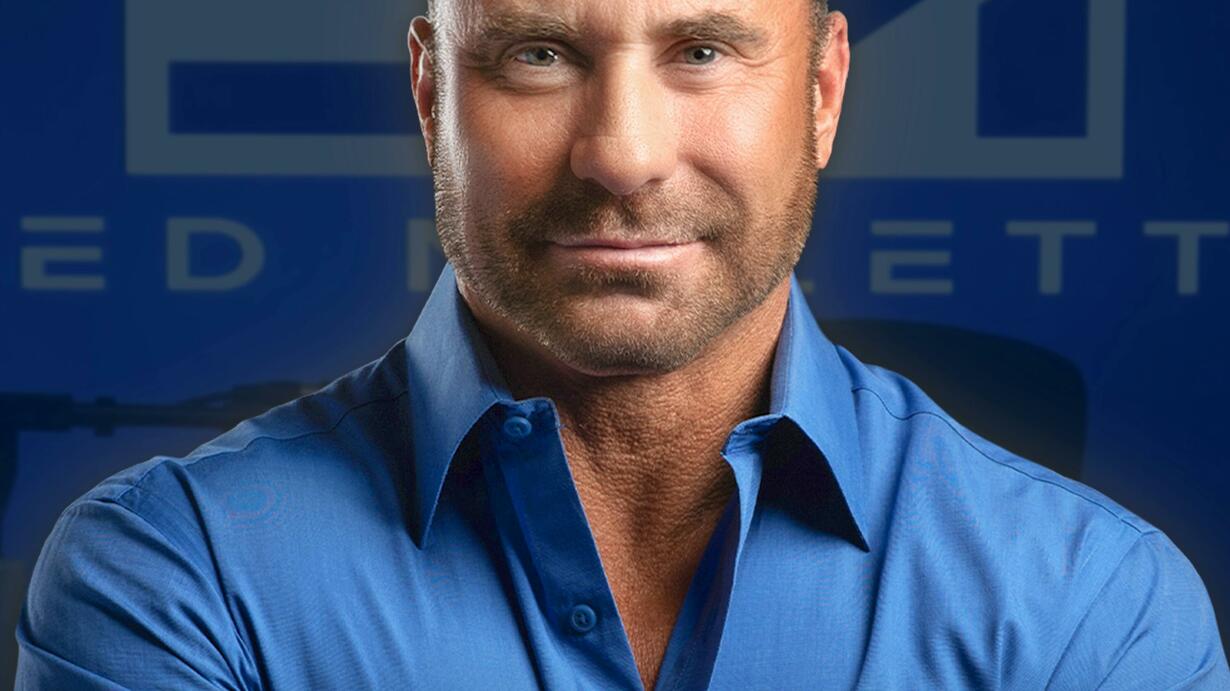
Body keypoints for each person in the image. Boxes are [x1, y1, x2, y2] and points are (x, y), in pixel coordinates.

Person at [15, 0, 1230, 688]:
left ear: (820, 92)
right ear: (433, 94)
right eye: (538, 55)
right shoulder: (180, 579)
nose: (622, 155)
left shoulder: (1089, 610)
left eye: (701, 51)